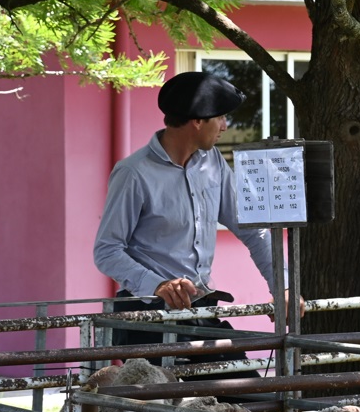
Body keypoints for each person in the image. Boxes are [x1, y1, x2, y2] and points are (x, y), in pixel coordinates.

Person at [94, 71, 278, 356]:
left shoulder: (214, 162)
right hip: (144, 319)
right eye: (220, 117)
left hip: (200, 313)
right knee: (158, 400)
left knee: (248, 394)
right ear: (197, 121)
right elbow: (107, 251)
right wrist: (158, 284)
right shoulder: (133, 173)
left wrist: (282, 286)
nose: (225, 126)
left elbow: (252, 228)